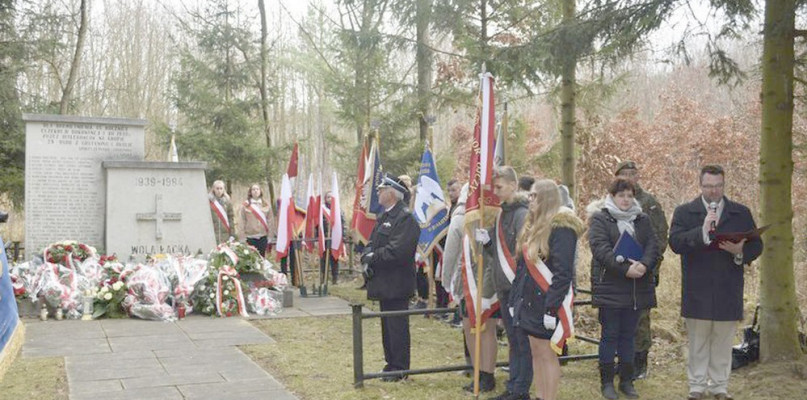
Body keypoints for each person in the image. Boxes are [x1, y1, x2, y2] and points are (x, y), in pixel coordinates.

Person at [669, 165, 762, 400]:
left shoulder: (740, 212)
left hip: (728, 285)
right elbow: (675, 243)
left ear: (724, 184)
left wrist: (740, 251)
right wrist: (700, 233)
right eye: (708, 186)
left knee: (723, 341)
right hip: (697, 286)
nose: (713, 191)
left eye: (718, 186)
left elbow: (757, 245)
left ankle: (719, 386)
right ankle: (697, 386)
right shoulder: (684, 212)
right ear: (700, 185)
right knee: (698, 340)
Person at [510, 179, 585, 400]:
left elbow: (563, 274)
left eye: (534, 196)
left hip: (547, 302)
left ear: (547, 198)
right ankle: (540, 395)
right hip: (529, 300)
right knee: (535, 352)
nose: (529, 199)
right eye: (530, 195)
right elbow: (522, 269)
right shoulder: (533, 225)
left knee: (547, 354)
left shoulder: (562, 228)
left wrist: (551, 308)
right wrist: (515, 299)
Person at [588, 178, 660, 399]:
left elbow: (652, 245)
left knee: (629, 336)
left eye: (629, 195)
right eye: (621, 195)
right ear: (612, 197)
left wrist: (645, 265)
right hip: (611, 286)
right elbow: (600, 249)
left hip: (637, 286)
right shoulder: (600, 218)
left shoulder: (643, 219)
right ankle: (607, 382)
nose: (626, 200)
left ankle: (627, 381)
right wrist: (625, 268)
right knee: (610, 335)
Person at [477, 166, 531, 400]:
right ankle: (513, 386)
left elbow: (523, 253)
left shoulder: (522, 214)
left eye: (499, 187)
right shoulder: (502, 214)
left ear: (513, 185)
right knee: (513, 338)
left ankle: (520, 389)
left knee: (521, 340)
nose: (496, 192)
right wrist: (488, 242)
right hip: (504, 286)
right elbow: (498, 253)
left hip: (518, 288)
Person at [442, 183, 499, 393]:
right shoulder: (481, 215)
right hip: (477, 280)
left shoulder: (473, 217)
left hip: (478, 282)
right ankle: (483, 373)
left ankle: (483, 374)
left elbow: (451, 253)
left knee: (478, 329)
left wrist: (447, 281)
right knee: (481, 329)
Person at [362, 174, 420, 382]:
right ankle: (391, 364)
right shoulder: (385, 216)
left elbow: (398, 251)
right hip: (383, 281)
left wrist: (373, 257)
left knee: (397, 327)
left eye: (381, 189)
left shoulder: (405, 218)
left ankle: (400, 368)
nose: (378, 192)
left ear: (392, 193)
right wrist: (367, 256)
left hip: (397, 282)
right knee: (387, 327)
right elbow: (371, 242)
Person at [614, 160, 668, 379]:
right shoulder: (612, 201)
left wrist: (648, 265)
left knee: (640, 318)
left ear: (638, 177)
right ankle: (623, 360)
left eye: (632, 174)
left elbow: (660, 237)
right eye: (623, 174)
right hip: (617, 270)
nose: (628, 178)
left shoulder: (648, 202)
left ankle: (640, 362)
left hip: (643, 269)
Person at [239, 183, 275, 258]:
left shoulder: (266, 204)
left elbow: (270, 221)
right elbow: (242, 221)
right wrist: (242, 237)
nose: (255, 191)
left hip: (262, 236)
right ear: (250, 192)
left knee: (262, 259)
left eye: (257, 189)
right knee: (250, 260)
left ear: (260, 191)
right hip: (250, 237)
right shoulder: (245, 205)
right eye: (253, 189)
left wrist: (270, 236)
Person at [319, 191, 345, 285]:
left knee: (335, 259)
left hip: (335, 238)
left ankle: (335, 279)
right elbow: (318, 225)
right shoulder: (322, 210)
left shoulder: (338, 210)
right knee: (324, 260)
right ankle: (324, 279)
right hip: (325, 239)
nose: (330, 199)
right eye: (328, 197)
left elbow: (343, 224)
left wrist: (344, 237)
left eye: (331, 197)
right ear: (325, 199)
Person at [208, 180, 234, 244]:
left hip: (225, 234)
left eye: (221, 188)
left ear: (223, 189)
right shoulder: (208, 201)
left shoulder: (228, 201)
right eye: (217, 188)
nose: (219, 191)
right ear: (213, 189)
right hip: (213, 233)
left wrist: (232, 233)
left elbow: (230, 217)